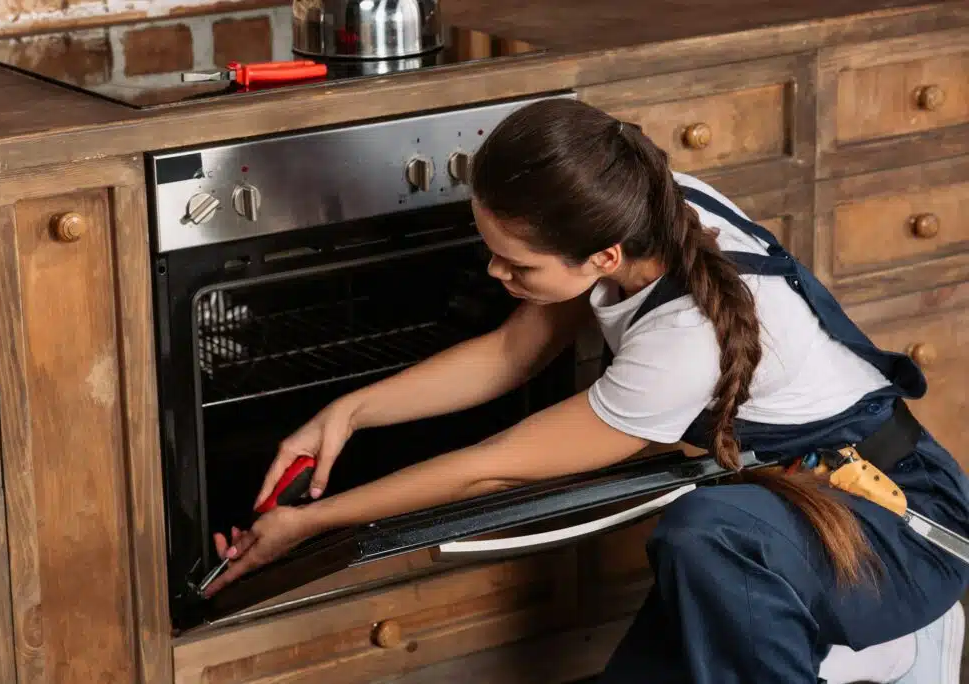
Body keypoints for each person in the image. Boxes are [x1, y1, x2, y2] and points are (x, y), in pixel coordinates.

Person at [204, 98, 968, 683]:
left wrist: (312, 526)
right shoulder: (642, 206)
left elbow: (491, 465)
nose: (496, 277)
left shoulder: (683, 341)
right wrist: (346, 413)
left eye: (517, 266)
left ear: (602, 255)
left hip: (895, 525)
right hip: (789, 512)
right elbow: (509, 355)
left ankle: (868, 651)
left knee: (702, 532)